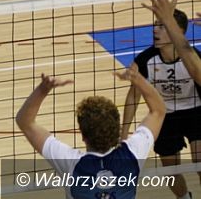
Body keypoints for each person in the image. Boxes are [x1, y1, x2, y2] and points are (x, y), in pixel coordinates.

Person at [16, 69, 165, 199]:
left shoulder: (70, 163)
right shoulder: (132, 154)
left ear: (83, 136)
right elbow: (158, 111)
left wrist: (43, 89)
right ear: (117, 130)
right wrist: (137, 78)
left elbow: (25, 122)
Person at [120, 0, 201, 199]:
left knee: (199, 160)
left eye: (162, 26)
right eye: (155, 25)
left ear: (178, 31)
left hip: (196, 111)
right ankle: (184, 197)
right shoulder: (145, 60)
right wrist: (124, 133)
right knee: (170, 172)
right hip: (165, 115)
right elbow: (133, 97)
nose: (155, 29)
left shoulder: (193, 58)